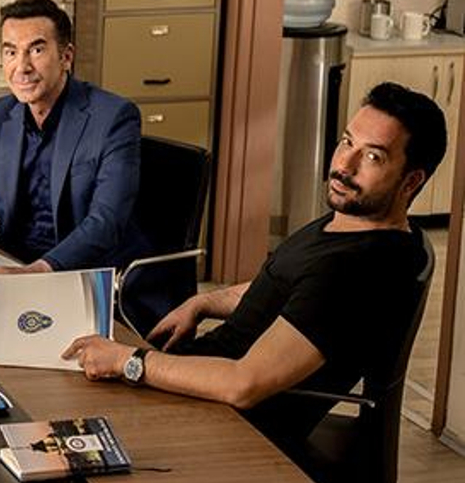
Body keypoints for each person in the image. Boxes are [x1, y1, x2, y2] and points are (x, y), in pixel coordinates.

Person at [63, 82, 444, 453]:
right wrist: (203, 303)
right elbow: (285, 287)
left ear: (411, 181)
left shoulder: (356, 270)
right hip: (203, 383)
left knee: (61, 408)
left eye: (373, 156)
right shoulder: (356, 224)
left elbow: (244, 385)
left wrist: (128, 362)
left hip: (230, 424)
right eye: (347, 142)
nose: (344, 165)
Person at [0, 0, 150, 274]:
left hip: (88, 275)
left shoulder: (113, 118)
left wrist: (37, 272)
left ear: (66, 56)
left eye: (36, 50)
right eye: (11, 52)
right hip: (13, 266)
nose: (22, 67)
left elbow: (105, 222)